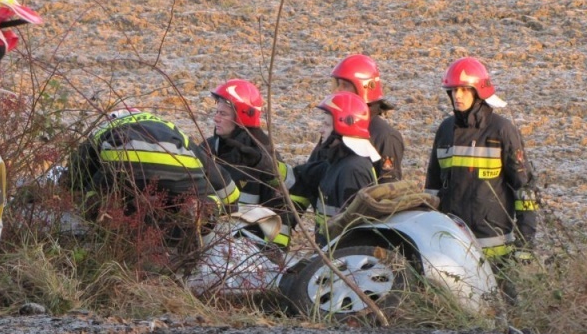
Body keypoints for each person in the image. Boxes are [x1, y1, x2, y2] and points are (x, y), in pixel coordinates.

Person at [65, 108, 240, 270]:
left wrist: (78, 195)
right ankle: (200, 209)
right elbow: (220, 178)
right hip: (177, 161)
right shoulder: (170, 127)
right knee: (205, 196)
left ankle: (112, 227)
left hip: (125, 161)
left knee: (96, 195)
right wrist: (230, 206)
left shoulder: (106, 127)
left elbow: (74, 175)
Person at [425, 57, 538, 297]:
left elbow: (524, 187)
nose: (458, 95)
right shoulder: (445, 130)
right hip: (453, 239)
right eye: (454, 90)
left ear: (479, 92)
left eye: (465, 89)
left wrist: (525, 240)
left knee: (502, 306)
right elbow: (432, 186)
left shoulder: (502, 130)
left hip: (495, 245)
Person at [203, 79, 292, 248]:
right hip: (215, 243)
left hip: (250, 249)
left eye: (223, 114)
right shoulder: (209, 148)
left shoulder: (263, 157)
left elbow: (282, 211)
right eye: (216, 112)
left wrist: (274, 252)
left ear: (242, 116)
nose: (215, 118)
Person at [287, 92, 379, 245]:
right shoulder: (337, 163)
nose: (321, 130)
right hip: (329, 255)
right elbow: (303, 174)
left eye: (327, 125)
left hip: (340, 260)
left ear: (344, 125)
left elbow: (354, 233)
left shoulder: (353, 170)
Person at [329, 54, 405, 183]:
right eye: (338, 84)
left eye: (345, 85)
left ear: (364, 90)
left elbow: (388, 192)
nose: (337, 91)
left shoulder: (385, 137)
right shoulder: (335, 129)